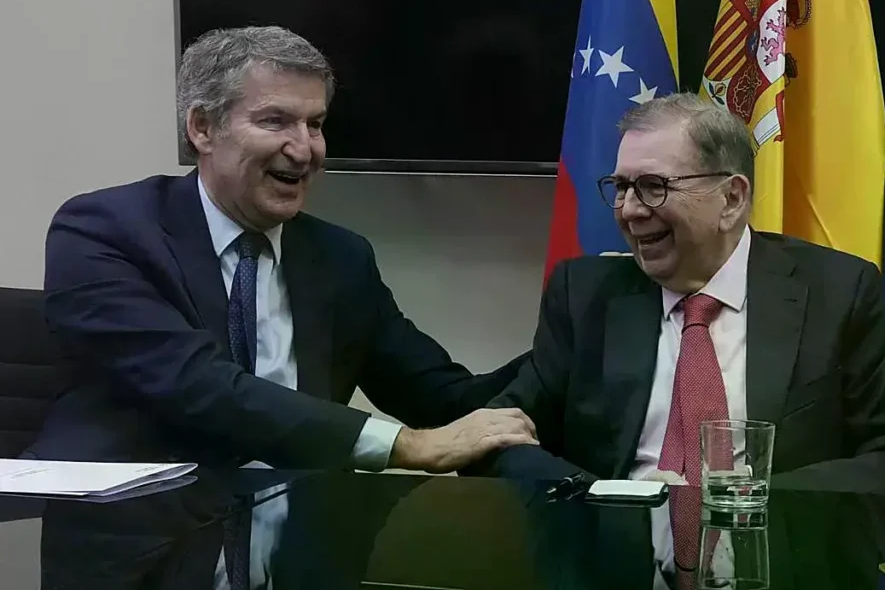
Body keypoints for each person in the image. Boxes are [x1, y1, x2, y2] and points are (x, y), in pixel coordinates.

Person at [26, 25, 537, 475]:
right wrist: (402, 446)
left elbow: (448, 400)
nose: (305, 148)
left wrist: (583, 329)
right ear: (202, 128)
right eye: (275, 121)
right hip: (133, 539)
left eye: (314, 124)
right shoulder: (104, 231)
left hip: (290, 533)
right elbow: (195, 385)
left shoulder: (339, 258)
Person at [477, 92, 885, 488]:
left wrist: (753, 501)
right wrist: (601, 499)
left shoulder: (836, 292)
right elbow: (498, 435)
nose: (630, 210)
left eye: (653, 187)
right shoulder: (583, 297)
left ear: (732, 198)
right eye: (621, 188)